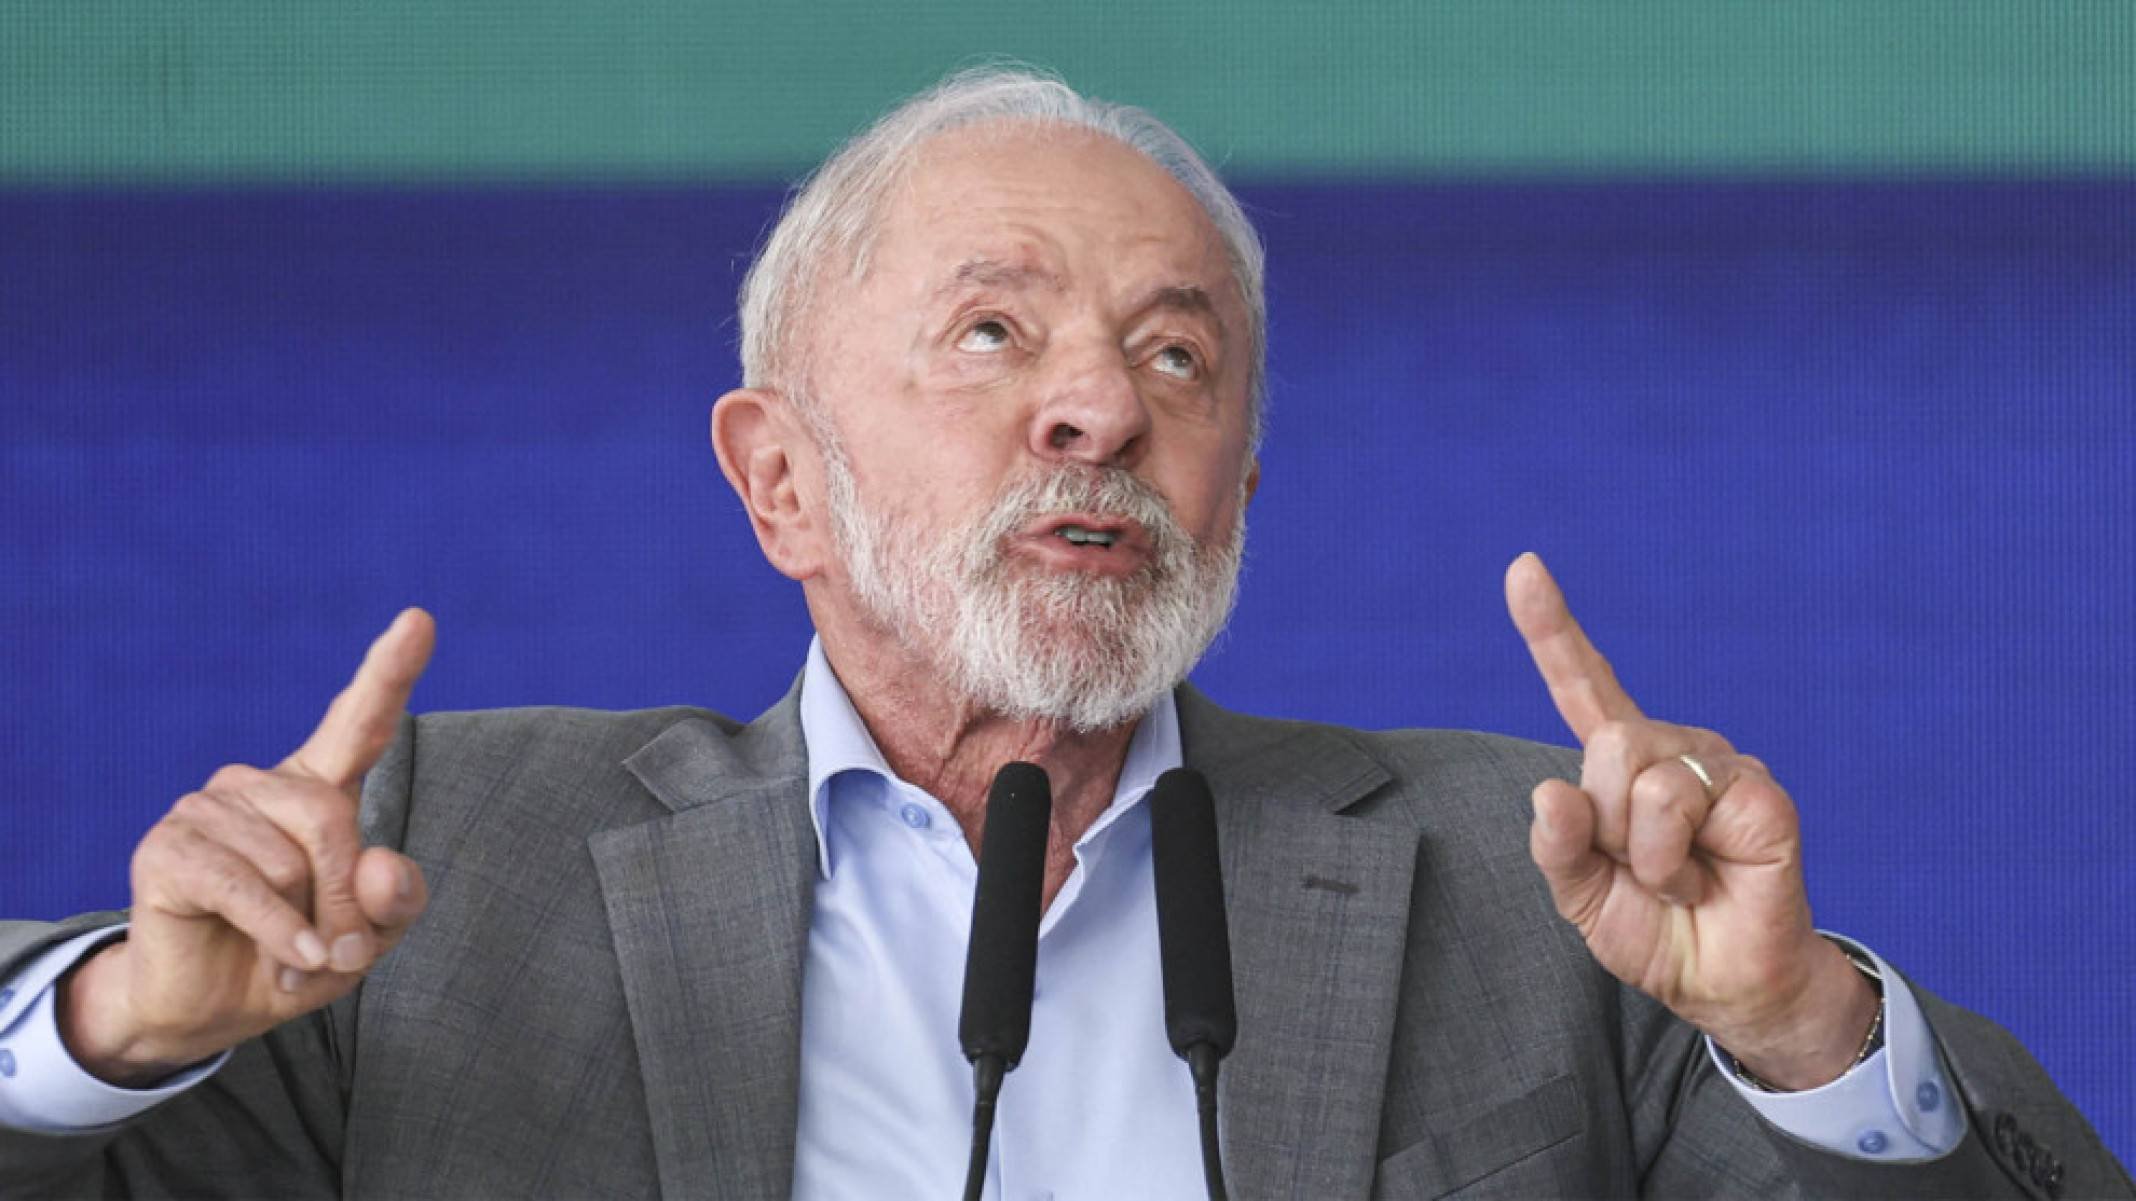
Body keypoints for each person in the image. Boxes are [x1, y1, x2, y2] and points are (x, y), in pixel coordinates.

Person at [0, 68, 2126, 1201]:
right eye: (994, 334)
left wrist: (1799, 1033)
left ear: (1239, 496)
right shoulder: (446, 855)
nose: (1102, 407)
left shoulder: (1543, 882)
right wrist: (113, 1032)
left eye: (1178, 357)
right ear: (779, 479)